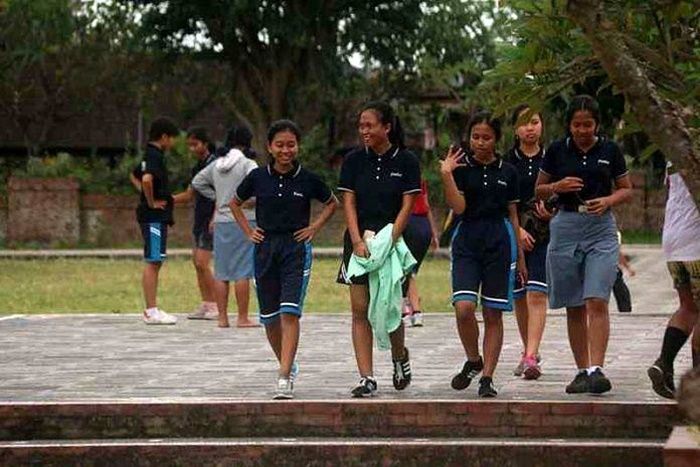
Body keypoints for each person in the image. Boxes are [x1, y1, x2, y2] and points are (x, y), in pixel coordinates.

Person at [231, 120, 338, 399]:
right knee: (269, 318)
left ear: (297, 146)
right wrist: (248, 231)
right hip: (265, 249)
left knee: (289, 311)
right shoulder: (257, 178)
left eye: (291, 144)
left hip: (295, 248)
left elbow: (332, 203)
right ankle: (287, 363)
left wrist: (314, 228)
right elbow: (234, 203)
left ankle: (284, 376)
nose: (285, 150)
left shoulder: (308, 179)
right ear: (269, 147)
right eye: (279, 145)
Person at [535, 95, 633, 394]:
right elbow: (538, 189)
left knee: (596, 298)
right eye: (576, 125)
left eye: (587, 124)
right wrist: (557, 187)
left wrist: (608, 200)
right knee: (574, 304)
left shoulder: (609, 150)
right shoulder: (556, 150)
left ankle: (596, 369)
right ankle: (581, 370)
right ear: (569, 125)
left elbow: (626, 189)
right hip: (565, 226)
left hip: (600, 228)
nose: (582, 130)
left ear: (597, 124)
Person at [337, 101, 421, 398]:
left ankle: (399, 356)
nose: (364, 131)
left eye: (370, 125)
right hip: (359, 241)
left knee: (388, 307)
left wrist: (389, 241)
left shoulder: (407, 161)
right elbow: (348, 201)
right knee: (360, 309)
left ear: (387, 127)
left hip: (391, 243)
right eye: (361, 126)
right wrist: (357, 240)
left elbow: (408, 204)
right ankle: (367, 377)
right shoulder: (353, 160)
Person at [441, 110, 526, 398]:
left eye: (486, 137)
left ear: (497, 139)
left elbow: (513, 215)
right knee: (464, 308)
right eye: (475, 137)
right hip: (467, 240)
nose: (480, 142)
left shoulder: (508, 171)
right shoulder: (461, 168)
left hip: (499, 242)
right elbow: (459, 208)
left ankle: (487, 376)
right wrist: (447, 175)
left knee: (493, 313)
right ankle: (473, 359)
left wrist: (521, 258)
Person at [191, 125, 259, 328]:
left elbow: (197, 182)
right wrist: (251, 201)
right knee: (242, 272)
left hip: (220, 222)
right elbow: (258, 185)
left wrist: (219, 198)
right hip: (244, 220)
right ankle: (243, 317)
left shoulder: (217, 164)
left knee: (222, 272)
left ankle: (222, 318)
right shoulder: (248, 164)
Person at [506, 105, 552, 380]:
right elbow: (502, 200)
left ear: (542, 124)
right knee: (520, 296)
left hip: (545, 234)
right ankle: (528, 350)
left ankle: (532, 355)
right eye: (524, 123)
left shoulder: (552, 159)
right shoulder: (507, 162)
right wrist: (517, 231)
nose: (530, 128)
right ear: (515, 129)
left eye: (534, 121)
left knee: (537, 293)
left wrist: (552, 212)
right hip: (514, 234)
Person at [648, 162, 700, 398]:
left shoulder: (673, 152)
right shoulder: (694, 148)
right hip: (696, 239)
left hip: (674, 239)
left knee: (688, 307)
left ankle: (664, 363)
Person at [133, 116, 180, 325]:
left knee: (156, 260)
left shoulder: (148, 155)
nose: (174, 143)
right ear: (164, 137)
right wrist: (150, 202)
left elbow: (134, 175)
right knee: (153, 260)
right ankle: (151, 310)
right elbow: (145, 179)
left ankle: (152, 309)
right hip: (153, 217)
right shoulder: (154, 155)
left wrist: (143, 195)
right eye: (172, 139)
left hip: (153, 216)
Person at [168, 127, 218, 321]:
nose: (192, 149)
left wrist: (216, 216)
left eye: (195, 144)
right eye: (189, 145)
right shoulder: (197, 167)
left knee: (203, 263)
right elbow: (190, 195)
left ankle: (216, 305)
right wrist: (165, 200)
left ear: (205, 144)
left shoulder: (215, 165)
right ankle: (206, 303)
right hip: (199, 218)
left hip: (210, 220)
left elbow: (221, 194)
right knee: (196, 263)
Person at [401, 178, 440, 327]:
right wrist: (433, 232)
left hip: (408, 223)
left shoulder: (397, 177)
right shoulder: (419, 179)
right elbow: (427, 205)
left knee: (402, 270)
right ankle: (416, 311)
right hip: (423, 226)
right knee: (410, 271)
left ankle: (404, 312)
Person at [612, 232, 634, 313]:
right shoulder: (613, 233)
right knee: (621, 291)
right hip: (610, 268)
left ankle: (625, 309)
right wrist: (628, 268)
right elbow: (617, 253)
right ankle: (625, 309)